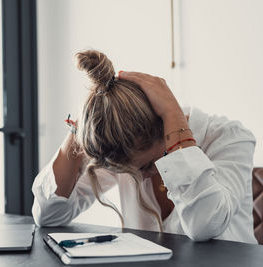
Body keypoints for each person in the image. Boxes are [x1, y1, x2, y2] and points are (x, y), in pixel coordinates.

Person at [31, 50, 257, 243]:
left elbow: (205, 225)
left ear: (163, 128)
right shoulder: (124, 151)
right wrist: (79, 130)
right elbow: (49, 215)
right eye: (132, 171)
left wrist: (171, 112)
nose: (144, 176)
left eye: (150, 163)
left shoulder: (230, 138)